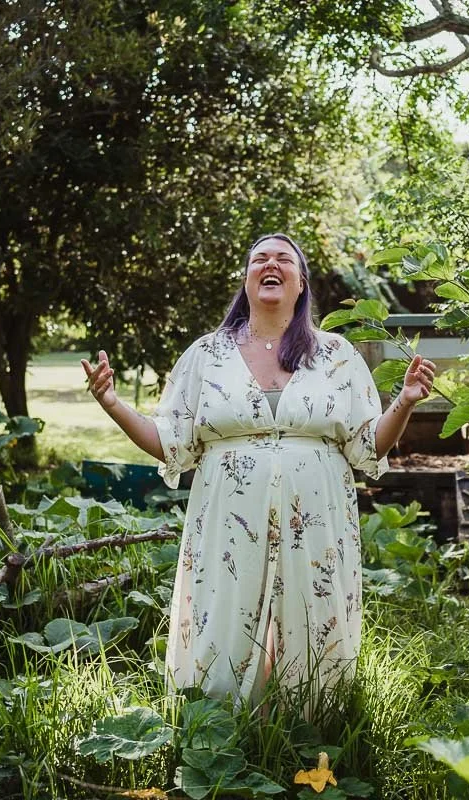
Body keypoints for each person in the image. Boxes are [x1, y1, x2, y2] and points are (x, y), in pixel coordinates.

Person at [81, 233, 435, 705]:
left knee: (312, 609)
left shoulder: (336, 355)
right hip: (228, 516)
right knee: (227, 608)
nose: (270, 265)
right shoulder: (207, 355)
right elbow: (169, 443)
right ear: (247, 279)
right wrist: (112, 403)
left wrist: (405, 401)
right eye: (259, 259)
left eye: (283, 259)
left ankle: (315, 718)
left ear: (300, 282)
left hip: (316, 517)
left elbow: (367, 445)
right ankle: (218, 718)